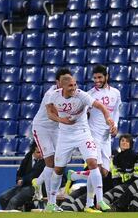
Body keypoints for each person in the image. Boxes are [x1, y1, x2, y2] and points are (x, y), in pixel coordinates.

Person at [45, 75, 115, 212]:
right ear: (62, 87)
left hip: (83, 133)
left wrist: (108, 119)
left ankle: (100, 201)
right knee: (58, 169)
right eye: (70, 85)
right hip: (64, 136)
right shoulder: (52, 96)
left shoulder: (81, 95)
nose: (74, 88)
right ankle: (51, 203)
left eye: (75, 84)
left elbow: (101, 106)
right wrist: (61, 120)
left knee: (93, 163)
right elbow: (49, 113)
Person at [31, 68, 72, 201]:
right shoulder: (51, 94)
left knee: (59, 163)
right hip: (42, 128)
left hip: (56, 129)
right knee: (50, 163)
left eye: (69, 80)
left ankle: (37, 183)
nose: (67, 83)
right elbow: (55, 114)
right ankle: (51, 201)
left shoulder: (71, 92)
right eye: (63, 80)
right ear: (57, 82)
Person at [0, 143, 45, 210]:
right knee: (2, 198)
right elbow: (19, 172)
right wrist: (18, 180)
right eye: (38, 152)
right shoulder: (27, 157)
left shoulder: (44, 161)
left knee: (13, 201)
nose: (41, 154)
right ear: (33, 152)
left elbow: (35, 175)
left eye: (41, 152)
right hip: (23, 185)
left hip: (34, 188)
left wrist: (23, 180)